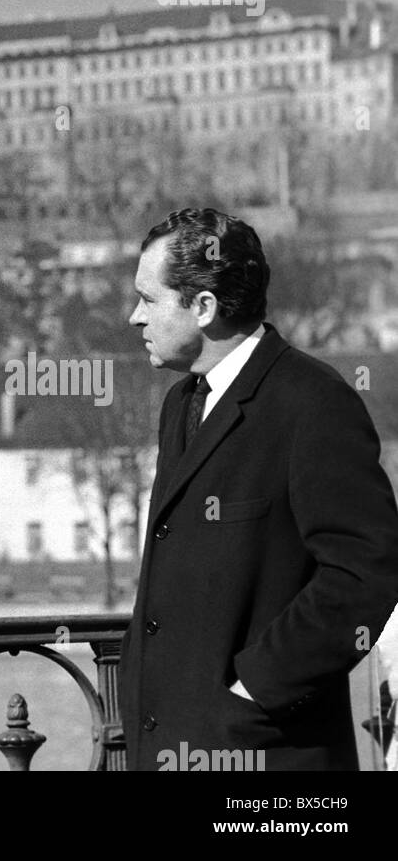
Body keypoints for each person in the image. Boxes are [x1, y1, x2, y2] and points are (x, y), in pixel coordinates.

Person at [120, 207, 398, 771]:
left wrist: (257, 689)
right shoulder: (181, 403)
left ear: (203, 307)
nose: (133, 317)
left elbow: (367, 572)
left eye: (148, 300)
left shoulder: (314, 402)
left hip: (268, 760)